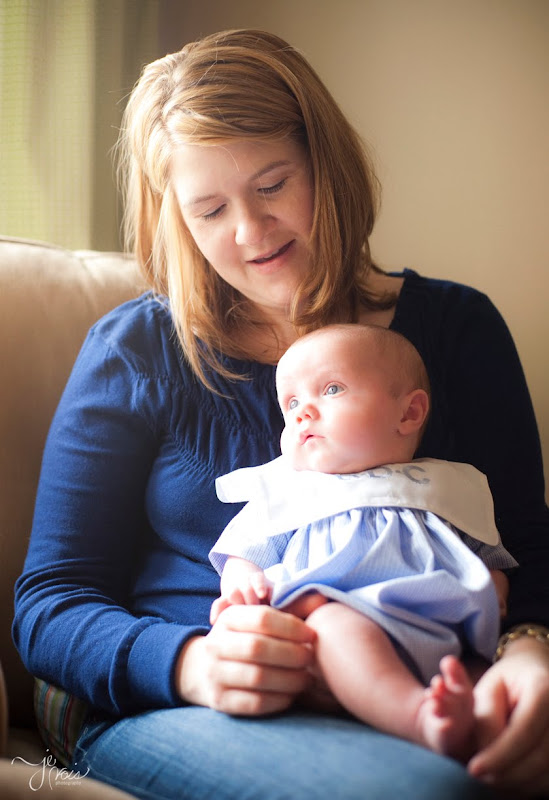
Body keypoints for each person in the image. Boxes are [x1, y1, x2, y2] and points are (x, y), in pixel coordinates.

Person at [12, 27, 549, 800]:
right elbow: (51, 603)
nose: (250, 232)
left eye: (271, 185)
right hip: (190, 704)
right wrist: (192, 664)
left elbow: (526, 544)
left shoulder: (458, 332)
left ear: (326, 165)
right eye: (208, 209)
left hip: (433, 679)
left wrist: (528, 651)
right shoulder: (135, 350)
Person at [209, 323, 518, 761]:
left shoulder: (444, 482)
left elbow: (485, 546)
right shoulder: (291, 487)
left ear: (409, 413)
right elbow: (245, 548)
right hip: (342, 613)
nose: (302, 413)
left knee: (481, 669)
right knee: (333, 628)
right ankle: (417, 717)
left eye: (331, 389)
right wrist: (241, 583)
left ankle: (465, 716)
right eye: (291, 403)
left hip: (445, 624)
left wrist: (494, 583)